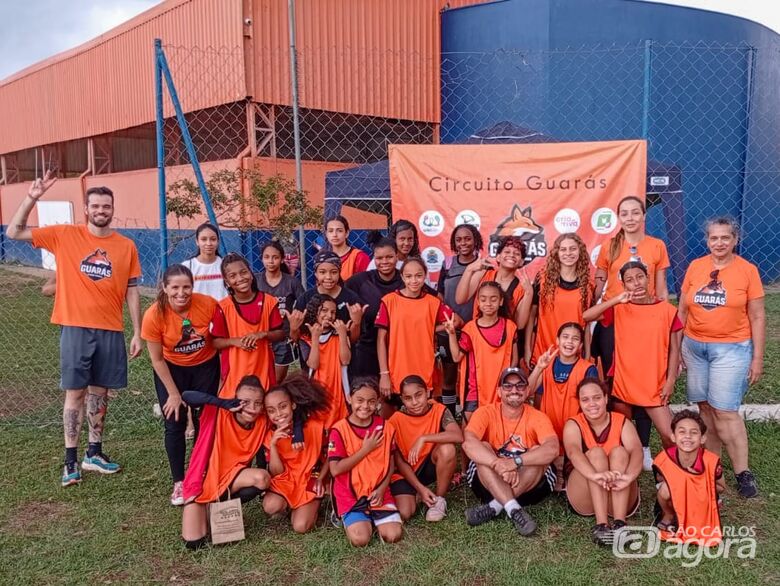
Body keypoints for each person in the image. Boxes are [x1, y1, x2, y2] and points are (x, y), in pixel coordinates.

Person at [7, 174, 143, 487]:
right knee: (75, 393)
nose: (101, 210)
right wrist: (32, 197)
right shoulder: (65, 235)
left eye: (106, 206)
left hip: (110, 329)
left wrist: (136, 331)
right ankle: (70, 460)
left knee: (100, 392)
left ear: (112, 209)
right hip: (76, 328)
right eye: (95, 205)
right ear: (86, 209)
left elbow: (132, 289)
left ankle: (93, 453)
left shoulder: (126, 246)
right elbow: (14, 231)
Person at [677, 217, 765, 498]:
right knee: (705, 408)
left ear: (735, 240)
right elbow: (681, 311)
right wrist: (677, 350)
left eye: (725, 238)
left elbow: (758, 315)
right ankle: (712, 467)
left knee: (725, 411)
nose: (719, 243)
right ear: (707, 241)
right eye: (714, 238)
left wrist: (757, 358)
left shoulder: (747, 271)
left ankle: (742, 472)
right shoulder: (695, 267)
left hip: (731, 347)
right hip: (695, 346)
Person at [592, 196, 670, 469]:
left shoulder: (657, 246)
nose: (630, 218)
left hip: (646, 320)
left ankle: (645, 446)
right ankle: (623, 442)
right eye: (624, 213)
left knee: (646, 380)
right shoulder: (610, 246)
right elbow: (599, 283)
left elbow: (661, 290)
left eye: (635, 212)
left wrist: (663, 322)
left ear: (643, 216)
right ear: (618, 217)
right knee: (618, 385)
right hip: (615, 320)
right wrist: (596, 307)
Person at [141, 264, 220, 505]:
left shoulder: (207, 304)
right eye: (174, 287)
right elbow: (156, 359)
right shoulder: (154, 315)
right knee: (174, 420)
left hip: (205, 366)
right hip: (172, 369)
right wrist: (174, 394)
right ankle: (179, 481)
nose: (181, 293)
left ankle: (200, 474)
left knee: (204, 420)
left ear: (193, 287)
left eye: (186, 287)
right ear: (165, 288)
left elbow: (219, 338)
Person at [583, 262, 681, 449]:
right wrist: (616, 300)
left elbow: (674, 349)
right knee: (620, 438)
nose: (636, 283)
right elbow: (586, 316)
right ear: (623, 285)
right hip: (624, 382)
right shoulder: (619, 308)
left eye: (639, 277)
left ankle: (664, 474)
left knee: (670, 436)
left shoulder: (667, 311)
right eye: (629, 280)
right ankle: (628, 473)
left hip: (653, 384)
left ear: (647, 278)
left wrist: (671, 381)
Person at [462, 367, 558, 536]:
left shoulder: (538, 416)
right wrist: (498, 463)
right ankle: (513, 508)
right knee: (482, 447)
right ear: (499, 391)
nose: (514, 390)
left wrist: (514, 463)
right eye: (507, 386)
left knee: (538, 452)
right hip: (489, 482)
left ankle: (496, 506)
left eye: (520, 385)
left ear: (527, 390)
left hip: (528, 485)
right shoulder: (485, 412)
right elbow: (468, 443)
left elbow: (552, 449)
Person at [180, 376, 271, 550]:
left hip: (233, 477)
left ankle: (218, 503)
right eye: (245, 402)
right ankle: (207, 505)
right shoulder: (217, 412)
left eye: (257, 403)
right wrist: (221, 403)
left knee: (262, 478)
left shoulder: (262, 421)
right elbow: (186, 395)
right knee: (194, 543)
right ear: (235, 399)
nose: (251, 408)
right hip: (203, 481)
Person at [563, 378, 642, 546]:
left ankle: (620, 524)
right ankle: (601, 525)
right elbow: (573, 452)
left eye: (597, 397)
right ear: (580, 402)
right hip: (585, 496)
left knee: (620, 452)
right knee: (596, 454)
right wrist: (596, 475)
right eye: (585, 399)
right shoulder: (574, 424)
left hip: (618, 494)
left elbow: (637, 451)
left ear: (606, 398)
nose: (592, 403)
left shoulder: (622, 421)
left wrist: (629, 477)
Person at [328, 377, 403, 547]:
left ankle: (374, 519)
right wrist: (365, 450)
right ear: (349, 398)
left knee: (394, 535)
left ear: (377, 402)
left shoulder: (386, 427)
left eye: (371, 401)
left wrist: (382, 489)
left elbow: (390, 463)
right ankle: (355, 518)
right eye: (359, 400)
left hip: (378, 493)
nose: (365, 406)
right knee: (360, 540)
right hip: (350, 496)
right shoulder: (339, 430)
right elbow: (336, 470)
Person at [376, 257, 456, 404]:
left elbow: (456, 321)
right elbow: (381, 339)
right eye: (408, 276)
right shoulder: (389, 301)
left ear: (425, 275)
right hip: (396, 370)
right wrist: (384, 373)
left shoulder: (433, 302)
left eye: (418, 275)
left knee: (423, 415)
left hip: (424, 369)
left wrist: (429, 328)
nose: (414, 280)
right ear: (402, 277)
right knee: (392, 417)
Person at [262, 375, 331, 534]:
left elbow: (331, 457)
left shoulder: (314, 426)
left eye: (283, 406)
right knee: (270, 506)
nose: (278, 414)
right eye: (271, 410)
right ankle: (290, 505)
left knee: (300, 527)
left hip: (311, 478)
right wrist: (273, 445)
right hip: (286, 480)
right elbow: (277, 473)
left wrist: (321, 479)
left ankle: (314, 503)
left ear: (293, 405)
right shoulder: (269, 435)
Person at [388, 375, 462, 522]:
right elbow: (399, 462)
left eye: (418, 395)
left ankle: (438, 500)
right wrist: (420, 489)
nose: (415, 402)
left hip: (428, 466)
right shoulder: (395, 420)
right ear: (402, 399)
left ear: (427, 393)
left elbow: (458, 436)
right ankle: (417, 493)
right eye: (408, 398)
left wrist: (424, 438)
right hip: (405, 472)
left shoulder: (439, 410)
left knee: (447, 449)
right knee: (405, 513)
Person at [211, 252, 285, 397]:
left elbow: (280, 334)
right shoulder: (223, 307)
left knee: (263, 408)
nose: (240, 278)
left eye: (243, 272)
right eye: (232, 276)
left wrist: (262, 334)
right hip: (235, 374)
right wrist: (235, 341)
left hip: (263, 371)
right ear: (226, 281)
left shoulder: (269, 302)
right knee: (236, 411)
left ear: (251, 274)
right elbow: (214, 342)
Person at [446, 281, 518, 420]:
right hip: (475, 391)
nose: (488, 303)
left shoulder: (510, 327)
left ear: (501, 301)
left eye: (493, 299)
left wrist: (507, 380)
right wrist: (452, 334)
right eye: (483, 299)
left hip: (501, 389)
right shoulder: (470, 329)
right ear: (478, 301)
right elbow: (456, 357)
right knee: (470, 432)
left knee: (498, 430)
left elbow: (514, 359)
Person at [654, 409, 725, 546]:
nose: (687, 436)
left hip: (702, 499)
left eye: (694, 432)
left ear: (702, 438)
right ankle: (669, 515)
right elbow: (660, 482)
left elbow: (721, 487)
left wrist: (700, 481)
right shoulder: (665, 458)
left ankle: (697, 521)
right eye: (682, 432)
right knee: (665, 489)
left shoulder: (711, 461)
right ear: (673, 437)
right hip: (676, 497)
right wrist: (680, 479)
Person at [525, 233, 593, 368]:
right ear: (557, 253)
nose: (568, 253)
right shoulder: (543, 279)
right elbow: (532, 316)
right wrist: (528, 349)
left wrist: (587, 354)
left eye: (573, 249)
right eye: (563, 249)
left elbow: (586, 324)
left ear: (580, 251)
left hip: (573, 355)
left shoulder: (588, 285)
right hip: (543, 353)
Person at [437, 223, 484, 416]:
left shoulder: (483, 265)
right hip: (449, 329)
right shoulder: (447, 264)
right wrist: (446, 320)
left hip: (473, 330)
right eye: (459, 239)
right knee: (448, 374)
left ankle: (470, 413)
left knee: (472, 374)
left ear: (476, 241)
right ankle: (448, 415)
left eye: (467, 238)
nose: (463, 243)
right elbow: (440, 295)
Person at [527, 323, 598, 442]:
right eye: (565, 337)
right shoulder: (546, 365)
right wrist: (539, 368)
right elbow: (527, 392)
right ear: (557, 341)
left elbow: (593, 406)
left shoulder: (588, 369)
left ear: (580, 345)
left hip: (575, 433)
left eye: (575, 339)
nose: (569, 341)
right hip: (548, 432)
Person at [455, 236, 533, 330]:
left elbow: (520, 325)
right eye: (507, 252)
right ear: (498, 257)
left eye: (517, 254)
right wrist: (469, 269)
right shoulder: (483, 274)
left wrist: (529, 293)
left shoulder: (522, 288)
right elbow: (460, 300)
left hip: (504, 339)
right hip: (478, 335)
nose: (511, 255)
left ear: (521, 262)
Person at [255, 240, 305, 383]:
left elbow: (303, 303)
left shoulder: (291, 282)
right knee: (260, 377)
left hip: (284, 336)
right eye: (267, 257)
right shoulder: (256, 281)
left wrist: (294, 319)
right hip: (261, 334)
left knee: (275, 381)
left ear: (282, 259)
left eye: (275, 257)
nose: (271, 261)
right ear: (262, 258)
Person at [298, 294, 351, 428]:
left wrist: (343, 335)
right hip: (317, 390)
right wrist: (315, 339)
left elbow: (345, 360)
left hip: (338, 389)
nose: (329, 315)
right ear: (315, 311)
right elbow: (313, 364)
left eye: (333, 312)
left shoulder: (339, 334)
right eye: (324, 310)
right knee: (317, 423)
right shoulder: (305, 337)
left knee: (338, 424)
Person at [290, 250, 363, 344]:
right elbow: (296, 339)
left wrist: (356, 323)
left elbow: (354, 340)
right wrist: (293, 328)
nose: (328, 277)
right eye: (322, 272)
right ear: (316, 273)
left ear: (339, 272)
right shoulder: (305, 299)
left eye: (333, 272)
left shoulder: (351, 299)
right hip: (312, 356)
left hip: (343, 356)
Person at [181, 222, 228, 301]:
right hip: (196, 311)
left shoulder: (226, 265)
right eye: (204, 239)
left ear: (218, 241)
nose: (209, 243)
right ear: (197, 241)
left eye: (213, 239)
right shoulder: (187, 266)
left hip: (221, 311)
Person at [324, 215, 370, 281]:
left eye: (339, 231)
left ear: (347, 233)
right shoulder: (323, 258)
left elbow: (366, 286)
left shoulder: (359, 257)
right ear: (326, 234)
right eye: (330, 231)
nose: (334, 235)